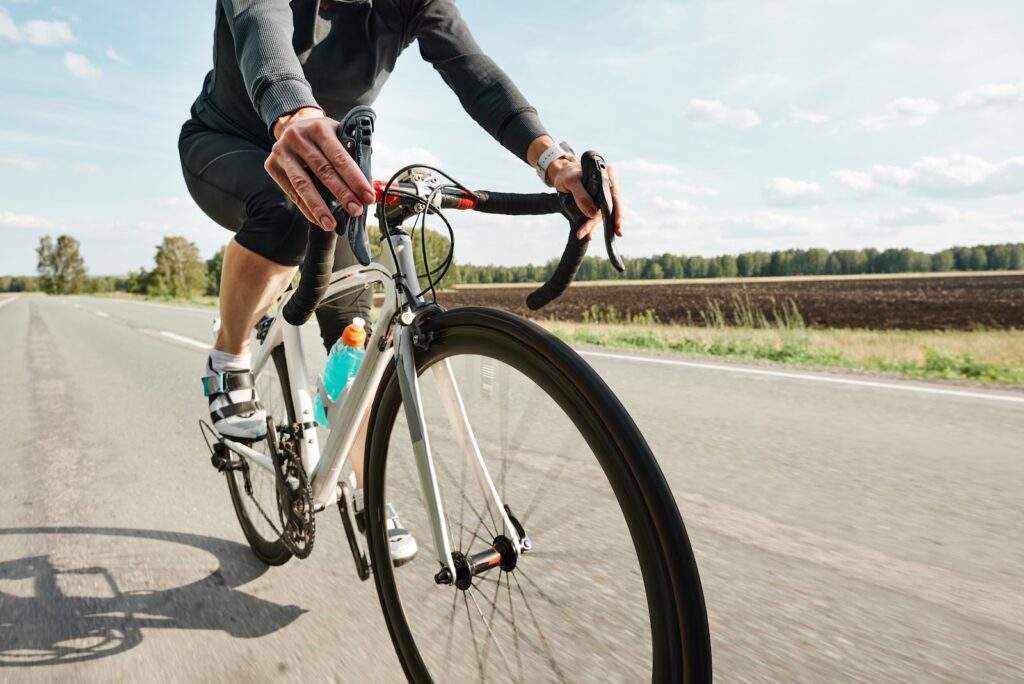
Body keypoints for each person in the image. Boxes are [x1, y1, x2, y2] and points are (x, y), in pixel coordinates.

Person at [179, 0, 623, 562]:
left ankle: (367, 487)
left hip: (330, 163)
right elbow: (258, 26)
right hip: (228, 142)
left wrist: (554, 161)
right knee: (285, 213)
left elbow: (476, 72)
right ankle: (229, 356)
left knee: (355, 337)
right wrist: (292, 112)